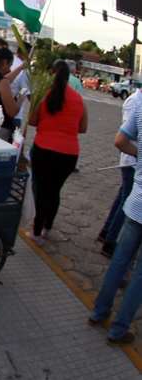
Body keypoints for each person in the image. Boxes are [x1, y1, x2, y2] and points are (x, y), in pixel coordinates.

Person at [89, 99, 142, 345]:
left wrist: (139, 153)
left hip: (136, 203)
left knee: (120, 260)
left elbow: (120, 140)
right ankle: (119, 329)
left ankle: (99, 312)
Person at [27, 60, 88, 245]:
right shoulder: (79, 99)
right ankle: (47, 228)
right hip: (69, 154)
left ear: (52, 73)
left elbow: (32, 121)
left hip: (43, 150)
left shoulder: (44, 94)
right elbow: (83, 128)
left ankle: (36, 232)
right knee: (54, 191)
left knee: (40, 189)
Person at [97, 81, 142, 257]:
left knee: (122, 197)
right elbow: (126, 134)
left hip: (134, 159)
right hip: (131, 160)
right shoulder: (134, 101)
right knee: (126, 203)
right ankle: (110, 241)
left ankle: (106, 232)